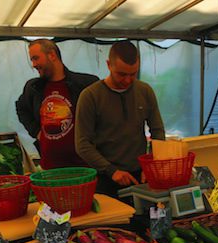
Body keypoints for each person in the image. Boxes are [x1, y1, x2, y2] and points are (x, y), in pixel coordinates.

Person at [75, 40, 165, 197]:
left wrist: (151, 164)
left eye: (133, 74)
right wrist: (112, 171)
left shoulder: (145, 91)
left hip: (140, 176)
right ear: (109, 65)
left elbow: (157, 131)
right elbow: (82, 144)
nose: (128, 80)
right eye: (122, 74)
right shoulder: (90, 96)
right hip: (105, 178)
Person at [15, 39, 98, 169]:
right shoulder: (34, 87)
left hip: (83, 166)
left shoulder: (85, 84)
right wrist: (36, 132)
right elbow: (21, 108)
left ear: (52, 55)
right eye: (32, 60)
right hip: (50, 167)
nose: (33, 64)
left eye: (36, 58)